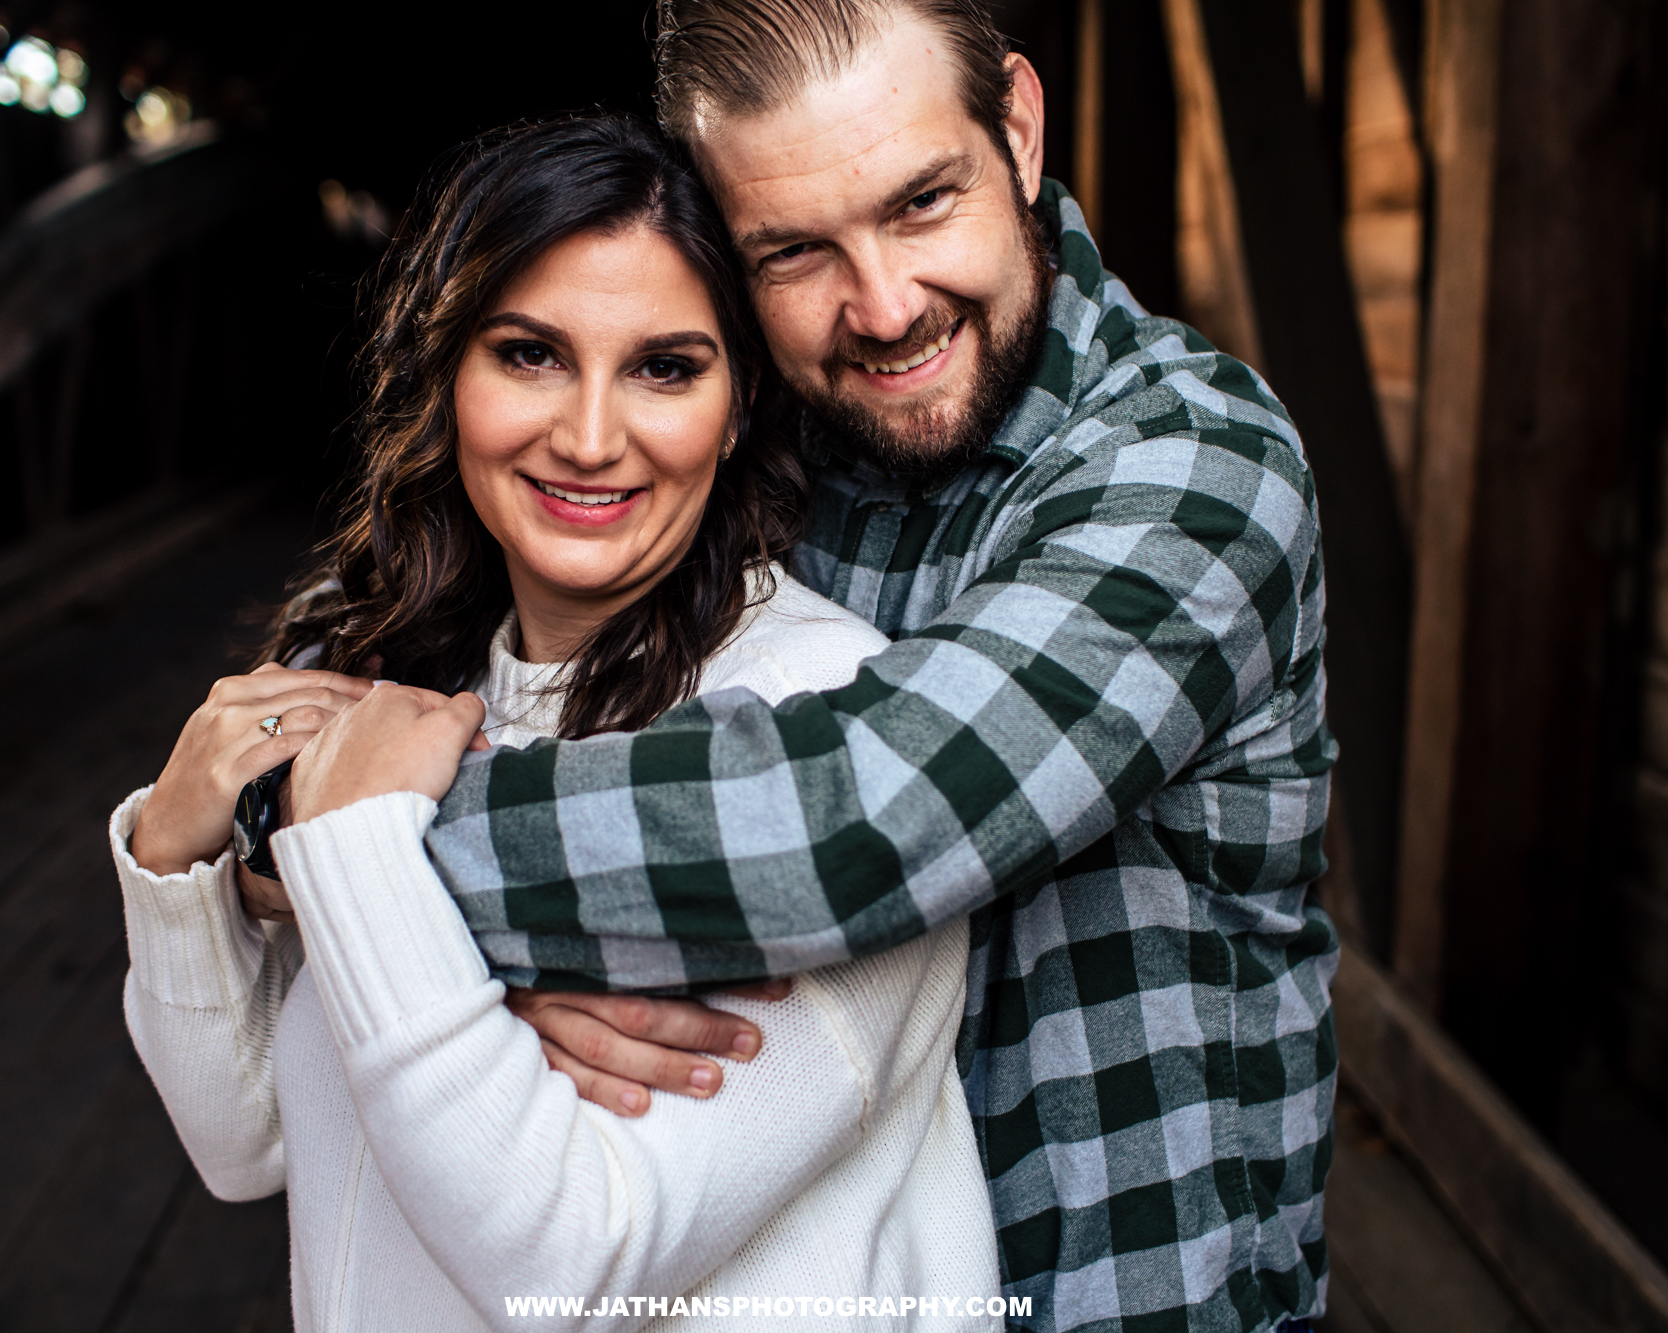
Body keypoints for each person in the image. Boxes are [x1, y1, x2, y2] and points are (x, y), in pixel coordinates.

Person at [388, 3, 1339, 1331]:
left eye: (922, 202)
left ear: (1016, 125)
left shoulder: (1193, 467)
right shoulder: (746, 442)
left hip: (1118, 1297)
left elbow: (859, 819)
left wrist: (360, 862)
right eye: (794, 250)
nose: (884, 305)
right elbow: (471, 627)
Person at [113, 115, 1001, 1330]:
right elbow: (242, 1138)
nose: (588, 438)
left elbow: (575, 1258)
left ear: (740, 404)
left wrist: (363, 859)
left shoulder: (823, 724)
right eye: (529, 353)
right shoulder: (382, 673)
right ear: (447, 374)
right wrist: (174, 850)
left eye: (664, 367)